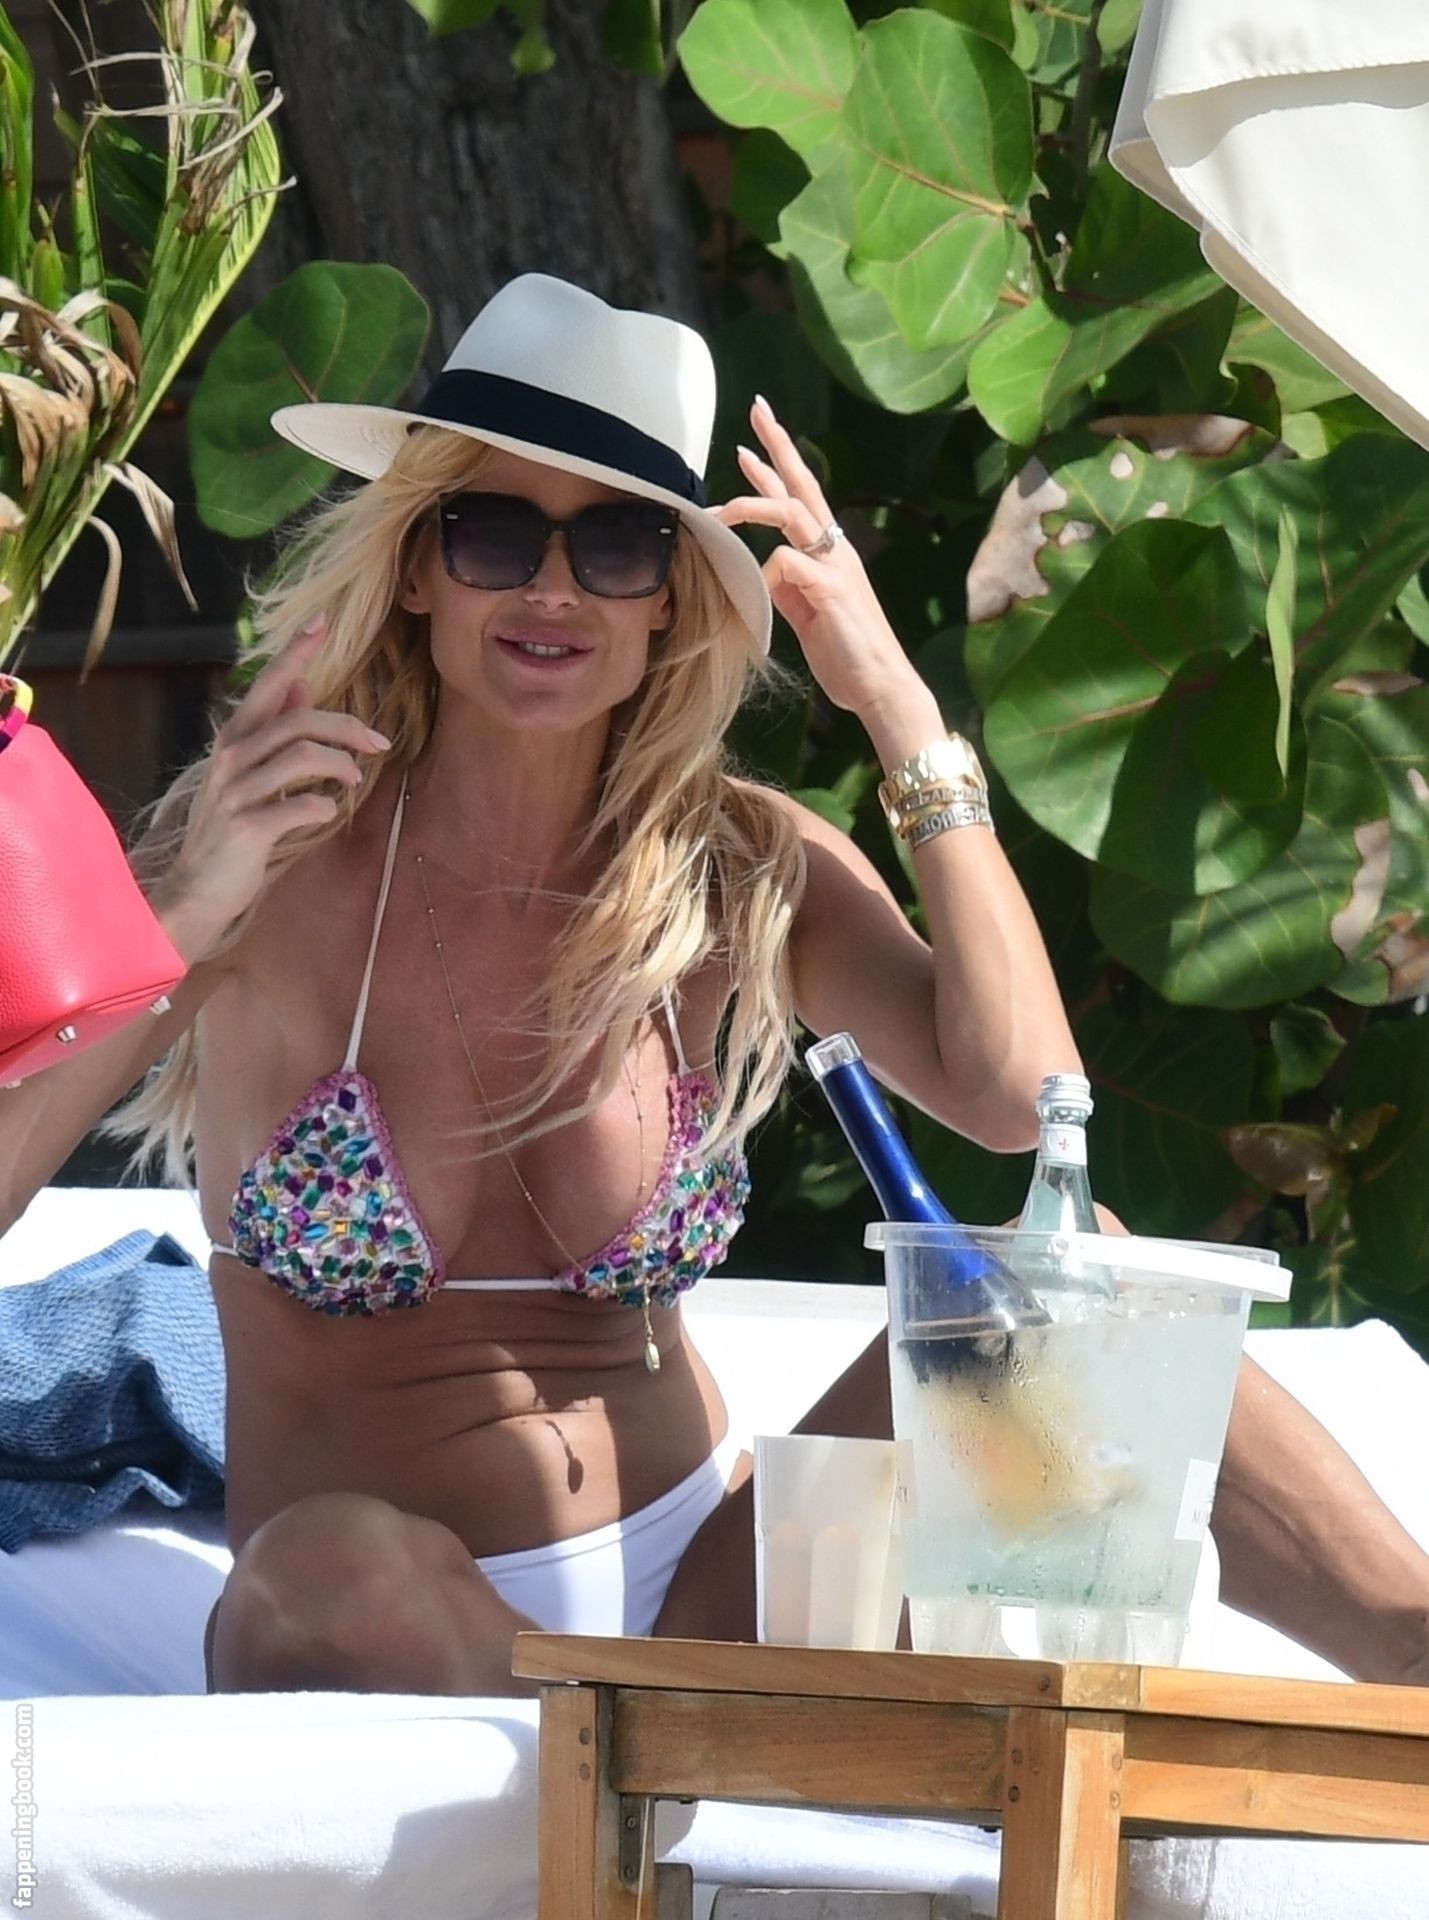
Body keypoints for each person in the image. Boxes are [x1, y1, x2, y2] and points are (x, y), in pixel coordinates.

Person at [2, 274, 1424, 1695]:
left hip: (703, 1600)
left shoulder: (732, 868)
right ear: (420, 567)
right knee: (329, 1569)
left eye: (616, 545)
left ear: (670, 600)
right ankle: (618, 1779)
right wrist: (180, 916)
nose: (552, 589)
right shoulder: (267, 862)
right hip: (401, 1629)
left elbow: (1022, 1105)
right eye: (495, 533)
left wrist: (897, 709)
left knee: (1076, 1287)